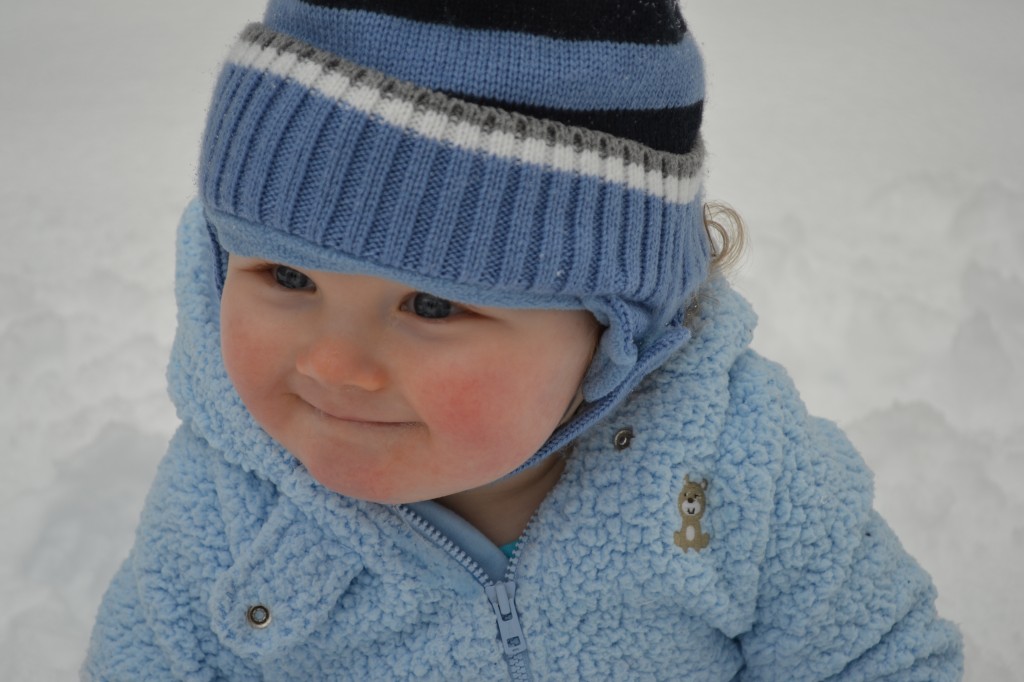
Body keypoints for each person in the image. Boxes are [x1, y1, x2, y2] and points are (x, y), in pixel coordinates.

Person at [83, 1, 963, 679]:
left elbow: (876, 657)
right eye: (287, 277)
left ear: (612, 335)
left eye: (431, 306)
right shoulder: (228, 500)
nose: (331, 366)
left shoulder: (737, 466)